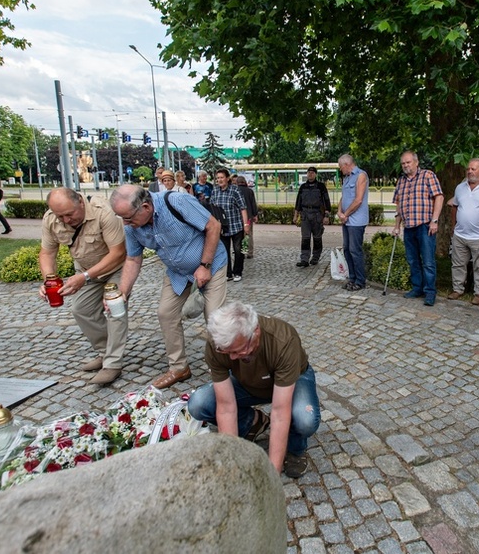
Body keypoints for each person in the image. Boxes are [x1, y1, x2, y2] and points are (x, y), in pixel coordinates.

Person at [109, 184, 229, 389]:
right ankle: (179, 367)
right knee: (165, 313)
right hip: (178, 273)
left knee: (215, 318)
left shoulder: (177, 202)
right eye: (122, 218)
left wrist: (205, 266)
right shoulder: (131, 226)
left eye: (128, 218)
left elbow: (213, 226)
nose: (125, 223)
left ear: (146, 207)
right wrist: (122, 293)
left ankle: (222, 369)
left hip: (212, 264)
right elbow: (133, 260)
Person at [187, 302, 321, 479]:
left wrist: (272, 477)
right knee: (198, 403)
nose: (233, 358)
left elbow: (280, 412)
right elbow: (226, 407)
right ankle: (252, 422)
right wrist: (231, 467)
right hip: (248, 381)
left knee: (305, 419)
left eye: (238, 350)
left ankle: (295, 449)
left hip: (294, 380)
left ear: (255, 333)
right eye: (227, 352)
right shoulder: (218, 344)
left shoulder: (283, 340)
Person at [38, 188, 128, 384]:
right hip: (86, 270)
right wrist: (48, 280)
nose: (66, 221)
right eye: (60, 216)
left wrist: (85, 277)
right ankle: (105, 353)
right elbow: (47, 253)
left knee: (114, 309)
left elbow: (118, 253)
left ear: (80, 201)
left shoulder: (103, 211)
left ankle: (113, 364)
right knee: (81, 310)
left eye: (70, 215)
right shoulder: (51, 219)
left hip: (116, 268)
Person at [392, 151, 444, 306]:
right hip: (408, 227)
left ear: (416, 162)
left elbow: (439, 197)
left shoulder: (428, 175)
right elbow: (399, 206)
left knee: (428, 261)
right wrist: (396, 226)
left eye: (408, 162)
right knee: (413, 260)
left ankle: (430, 292)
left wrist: (434, 220)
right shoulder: (400, 181)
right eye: (403, 163)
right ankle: (417, 288)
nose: (406, 165)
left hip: (425, 225)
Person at [447, 158, 479, 305]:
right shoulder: (460, 188)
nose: (470, 171)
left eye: (473, 169)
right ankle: (457, 289)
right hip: (460, 234)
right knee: (457, 264)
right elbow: (454, 207)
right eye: (468, 169)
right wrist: (453, 226)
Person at [336, 154, 369, 291]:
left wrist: (346, 214)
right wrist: (339, 211)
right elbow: (343, 197)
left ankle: (360, 280)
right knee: (347, 250)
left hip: (356, 221)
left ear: (346, 164)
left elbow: (358, 200)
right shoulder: (346, 178)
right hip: (346, 220)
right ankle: (352, 277)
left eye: (340, 167)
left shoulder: (361, 175)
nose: (340, 170)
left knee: (355, 250)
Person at [212, 168, 250, 282]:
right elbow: (213, 208)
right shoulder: (215, 191)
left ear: (227, 178)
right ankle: (228, 273)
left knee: (238, 250)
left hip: (236, 225)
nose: (219, 180)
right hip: (222, 227)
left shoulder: (235, 190)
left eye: (222, 177)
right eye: (218, 178)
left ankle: (237, 271)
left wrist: (246, 224)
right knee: (224, 251)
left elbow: (243, 208)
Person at [293, 167, 331, 267]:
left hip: (317, 214)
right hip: (305, 215)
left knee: (317, 238)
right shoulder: (303, 187)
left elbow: (326, 201)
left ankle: (315, 257)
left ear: (316, 174)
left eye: (312, 173)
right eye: (308, 173)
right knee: (305, 238)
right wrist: (296, 215)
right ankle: (304, 259)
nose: (310, 174)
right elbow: (298, 202)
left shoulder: (321, 186)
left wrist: (326, 215)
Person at [236, 176, 258, 258]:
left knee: (239, 235)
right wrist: (255, 215)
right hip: (249, 216)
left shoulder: (236, 191)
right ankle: (250, 252)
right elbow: (253, 203)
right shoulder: (249, 191)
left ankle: (241, 251)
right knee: (249, 234)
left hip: (238, 217)